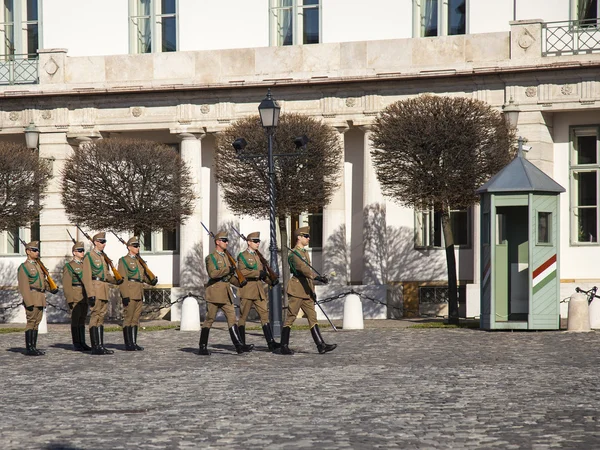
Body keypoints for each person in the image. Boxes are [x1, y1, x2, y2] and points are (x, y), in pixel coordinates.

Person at [281, 226, 336, 355]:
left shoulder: (304, 253)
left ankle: (320, 345)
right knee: (291, 317)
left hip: (307, 290)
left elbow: (307, 270)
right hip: (297, 289)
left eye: (308, 236)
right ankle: (284, 345)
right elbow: (303, 269)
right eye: (306, 236)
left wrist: (313, 288)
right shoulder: (294, 253)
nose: (308, 239)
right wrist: (317, 277)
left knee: (312, 317)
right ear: (299, 237)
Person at [198, 230, 254, 355]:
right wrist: (228, 269)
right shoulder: (211, 258)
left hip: (226, 293)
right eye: (224, 240)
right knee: (209, 320)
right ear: (217, 242)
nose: (227, 243)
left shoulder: (228, 258)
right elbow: (213, 274)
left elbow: (229, 277)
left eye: (227, 241)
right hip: (214, 293)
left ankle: (238, 346)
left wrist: (240, 282)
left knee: (232, 319)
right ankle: (202, 346)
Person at [237, 231, 280, 351]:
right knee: (243, 317)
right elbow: (242, 272)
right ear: (249, 242)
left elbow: (263, 274)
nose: (257, 243)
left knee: (264, 316)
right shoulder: (242, 256)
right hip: (247, 290)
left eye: (258, 241)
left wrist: (271, 281)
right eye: (255, 241)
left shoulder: (258, 257)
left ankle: (271, 342)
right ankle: (241, 344)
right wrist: (257, 273)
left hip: (259, 290)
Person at [117, 236, 156, 351]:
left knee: (135, 319)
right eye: (135, 246)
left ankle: (134, 343)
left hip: (139, 292)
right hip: (130, 292)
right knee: (128, 318)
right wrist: (125, 295)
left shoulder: (139, 262)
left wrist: (152, 281)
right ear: (129, 247)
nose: (137, 247)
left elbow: (142, 277)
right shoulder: (123, 260)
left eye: (138, 246)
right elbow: (123, 279)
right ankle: (128, 344)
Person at [82, 232, 116, 355]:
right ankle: (95, 346)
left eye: (104, 242)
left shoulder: (103, 257)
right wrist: (90, 294)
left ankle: (100, 345)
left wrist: (117, 280)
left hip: (104, 289)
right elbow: (86, 277)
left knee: (101, 317)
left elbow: (106, 275)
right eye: (101, 242)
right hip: (95, 289)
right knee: (95, 316)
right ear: (95, 242)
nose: (103, 244)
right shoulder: (89, 256)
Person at [17, 241, 49, 356]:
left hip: (40, 297)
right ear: (28, 251)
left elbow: (42, 282)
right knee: (31, 322)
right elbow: (24, 286)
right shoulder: (24, 267)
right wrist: (28, 301)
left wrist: (51, 287)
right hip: (32, 297)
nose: (37, 252)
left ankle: (33, 347)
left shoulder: (38, 265)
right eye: (34, 250)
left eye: (37, 250)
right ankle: (29, 348)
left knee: (37, 322)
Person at [62, 241, 91, 351]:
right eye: (79, 251)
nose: (82, 252)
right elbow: (67, 284)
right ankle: (77, 343)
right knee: (76, 319)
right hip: (75, 294)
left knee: (82, 320)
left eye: (83, 250)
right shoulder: (69, 266)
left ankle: (83, 342)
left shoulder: (85, 265)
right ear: (74, 252)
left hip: (84, 295)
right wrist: (69, 299)